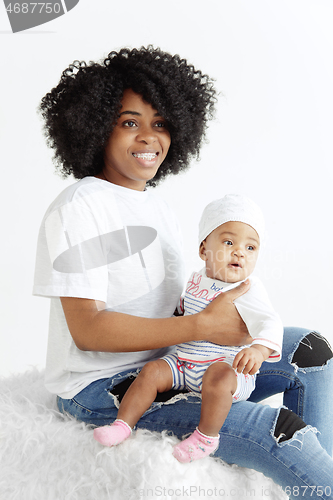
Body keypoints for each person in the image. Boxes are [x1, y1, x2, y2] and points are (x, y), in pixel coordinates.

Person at [33, 46, 333, 499]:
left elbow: (187, 293)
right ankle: (307, 465)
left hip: (184, 356)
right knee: (279, 431)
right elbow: (88, 330)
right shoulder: (80, 208)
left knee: (311, 351)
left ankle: (316, 473)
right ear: (95, 126)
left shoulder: (156, 207)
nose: (149, 137)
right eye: (130, 122)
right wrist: (202, 325)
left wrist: (243, 323)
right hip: (101, 387)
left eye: (160, 123)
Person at [93, 194, 284, 464]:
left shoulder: (249, 289)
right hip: (184, 363)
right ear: (204, 249)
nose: (240, 252)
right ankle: (122, 425)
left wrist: (259, 349)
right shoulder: (197, 279)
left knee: (218, 376)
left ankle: (206, 436)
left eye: (250, 248)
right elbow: (184, 312)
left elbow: (270, 321)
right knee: (152, 371)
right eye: (229, 242)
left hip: (226, 367)